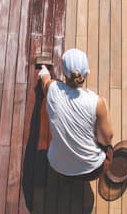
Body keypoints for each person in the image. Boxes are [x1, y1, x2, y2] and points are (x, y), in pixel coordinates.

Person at [38, 48, 114, 179]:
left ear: (64, 73)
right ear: (86, 74)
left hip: (58, 167)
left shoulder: (52, 89)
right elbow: (106, 139)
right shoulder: (97, 103)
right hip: (92, 170)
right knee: (110, 148)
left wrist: (44, 71)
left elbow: (45, 81)